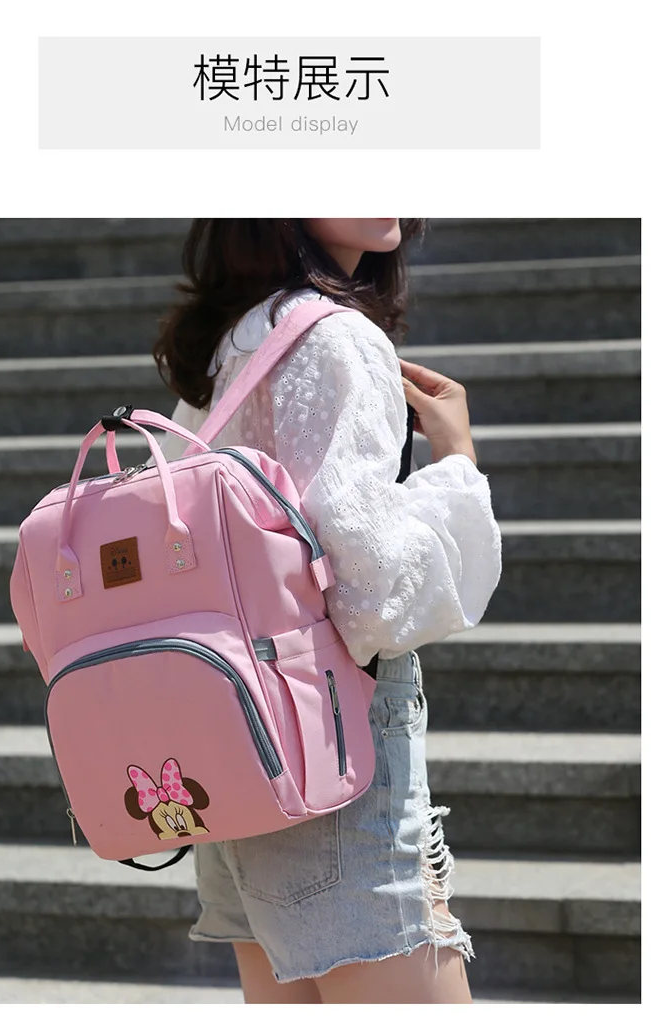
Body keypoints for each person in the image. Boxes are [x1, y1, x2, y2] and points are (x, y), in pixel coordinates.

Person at [152, 219, 502, 1004]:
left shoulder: (237, 338)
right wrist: (457, 464)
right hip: (329, 750)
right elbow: (371, 596)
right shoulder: (338, 337)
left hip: (236, 752)